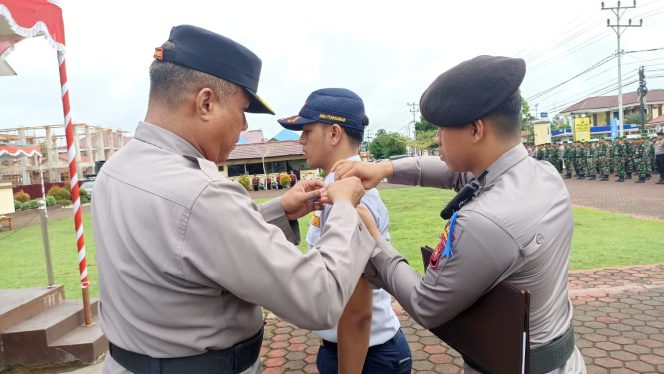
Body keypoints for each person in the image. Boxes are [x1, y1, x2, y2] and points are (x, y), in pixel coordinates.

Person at [93, 25, 377, 374]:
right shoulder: (202, 193)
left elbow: (183, 245)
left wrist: (279, 211)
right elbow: (317, 298)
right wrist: (346, 208)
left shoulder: (116, 169)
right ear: (206, 102)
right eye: (243, 110)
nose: (243, 125)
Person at [333, 55, 586, 373]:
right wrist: (385, 168)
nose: (437, 138)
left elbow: (427, 305)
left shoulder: (484, 222)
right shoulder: (542, 174)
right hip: (560, 359)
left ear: (476, 130)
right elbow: (456, 175)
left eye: (441, 128)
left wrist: (373, 241)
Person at [278, 88, 412, 374]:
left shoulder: (348, 193)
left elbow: (358, 311)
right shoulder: (338, 185)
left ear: (334, 133)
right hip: (359, 350)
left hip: (367, 355)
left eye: (307, 130)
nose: (300, 140)